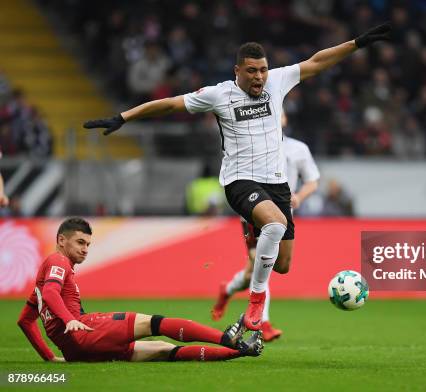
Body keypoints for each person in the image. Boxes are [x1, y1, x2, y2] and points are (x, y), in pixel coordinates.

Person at [83, 23, 391, 331]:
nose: (259, 77)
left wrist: (357, 43)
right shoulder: (218, 95)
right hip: (240, 182)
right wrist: (124, 117)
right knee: (275, 223)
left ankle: (242, 285)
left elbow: (317, 62)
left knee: (282, 266)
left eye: (263, 70)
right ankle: (256, 303)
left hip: (277, 185)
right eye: (252, 71)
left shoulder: (277, 82)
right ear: (237, 71)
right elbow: (170, 103)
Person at [17, 217, 263, 362]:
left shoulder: (39, 284)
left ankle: (241, 351)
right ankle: (227, 339)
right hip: (85, 332)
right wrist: (71, 320)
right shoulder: (57, 261)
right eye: (80, 242)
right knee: (155, 323)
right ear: (61, 240)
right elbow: (51, 293)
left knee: (163, 350)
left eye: (88, 244)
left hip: (75, 351)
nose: (85, 249)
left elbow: (25, 321)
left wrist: (50, 357)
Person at [211, 112, 320, 341]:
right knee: (260, 265)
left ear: (285, 120)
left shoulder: (298, 148)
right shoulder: (252, 142)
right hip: (254, 207)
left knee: (269, 267)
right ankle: (263, 323)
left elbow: (312, 180)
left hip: (283, 209)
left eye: (280, 115)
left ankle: (228, 289)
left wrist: (299, 196)